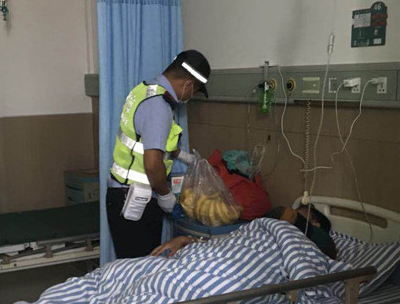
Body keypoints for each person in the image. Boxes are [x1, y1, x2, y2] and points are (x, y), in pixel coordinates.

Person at [106, 50, 211, 258]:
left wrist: (181, 155)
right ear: (188, 84)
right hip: (135, 199)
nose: (190, 97)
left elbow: (144, 138)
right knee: (141, 269)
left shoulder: (145, 90)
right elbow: (152, 163)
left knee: (129, 267)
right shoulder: (159, 106)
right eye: (194, 92)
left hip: (121, 192)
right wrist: (165, 194)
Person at [151, 204, 338, 259]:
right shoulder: (264, 230)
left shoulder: (320, 243)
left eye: (301, 214)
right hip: (215, 257)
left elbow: (284, 213)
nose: (293, 213)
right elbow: (230, 244)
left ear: (315, 224)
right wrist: (188, 240)